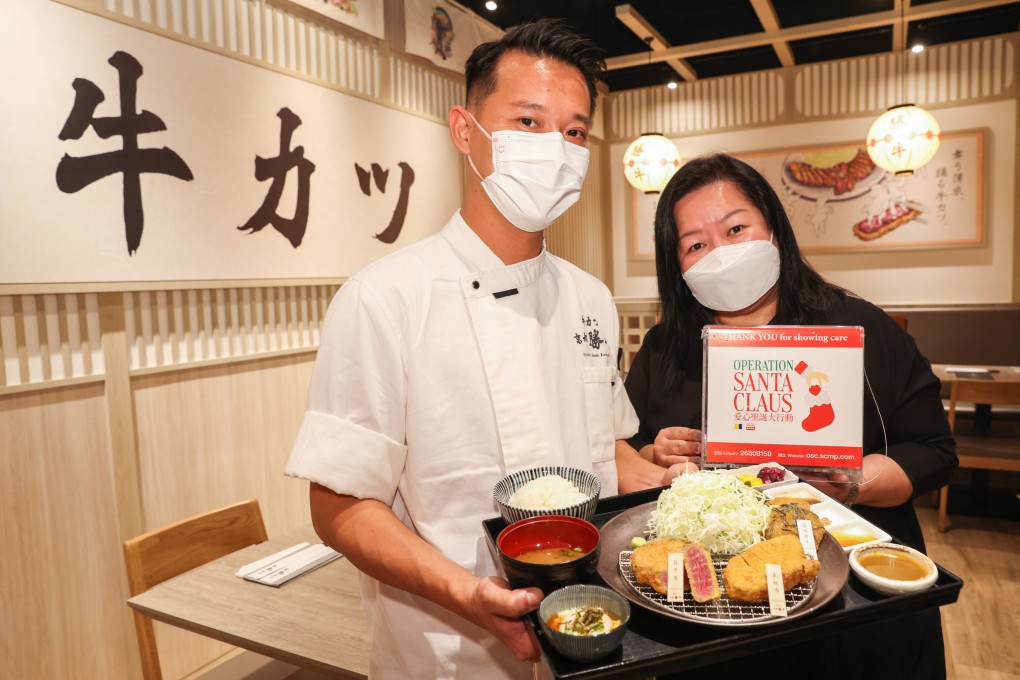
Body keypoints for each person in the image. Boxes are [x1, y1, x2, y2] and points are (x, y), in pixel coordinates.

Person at [285, 19, 673, 680]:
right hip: (447, 650)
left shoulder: (590, 298)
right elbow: (341, 506)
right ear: (465, 131)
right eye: (528, 121)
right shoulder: (384, 298)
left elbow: (603, 450)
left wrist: (678, 485)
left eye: (574, 132)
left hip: (591, 630)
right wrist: (465, 593)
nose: (555, 148)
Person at [624, 152, 957, 679]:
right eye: (696, 245)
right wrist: (653, 451)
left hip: (847, 607)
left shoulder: (857, 328)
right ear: (676, 265)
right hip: (712, 613)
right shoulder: (664, 348)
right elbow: (630, 449)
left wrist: (851, 481)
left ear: (774, 228)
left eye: (736, 229)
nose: (721, 253)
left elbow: (933, 451)